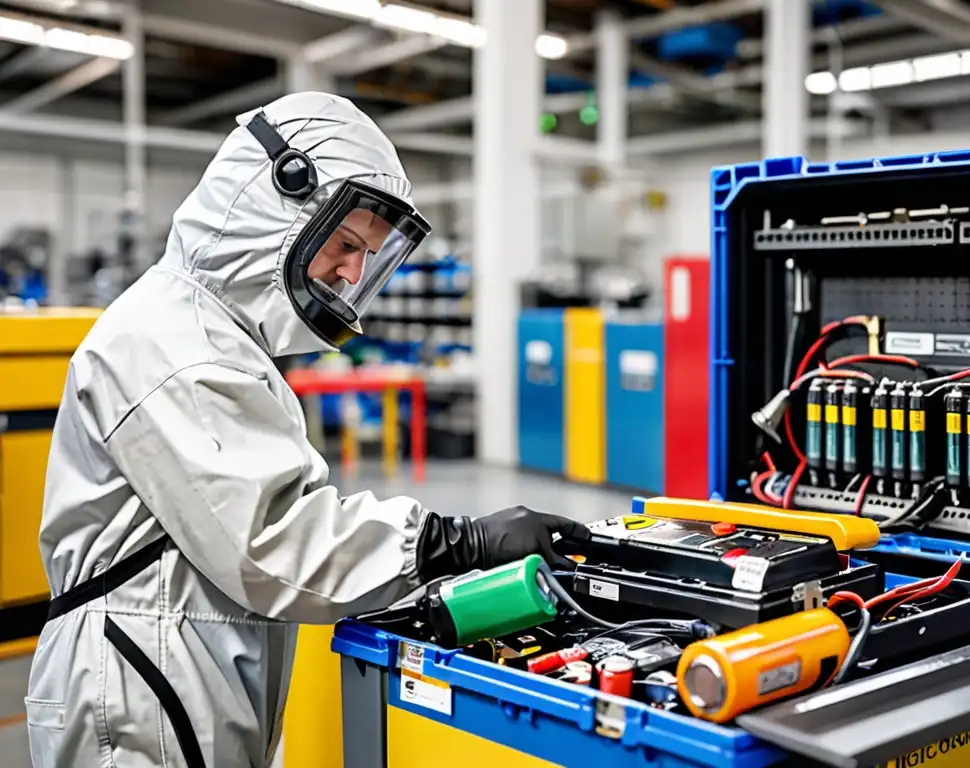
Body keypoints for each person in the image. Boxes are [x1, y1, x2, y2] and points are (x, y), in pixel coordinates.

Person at [25, 92, 589, 768]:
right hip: (140, 683)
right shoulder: (170, 342)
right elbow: (273, 543)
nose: (353, 272)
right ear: (277, 200)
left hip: (177, 655)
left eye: (368, 257)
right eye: (347, 245)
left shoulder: (212, 334)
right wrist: (456, 543)